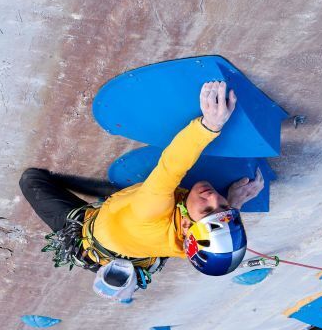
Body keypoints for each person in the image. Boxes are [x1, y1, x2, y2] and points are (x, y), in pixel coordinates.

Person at [20, 81, 264, 294]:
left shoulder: (152, 208)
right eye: (221, 206)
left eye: (207, 210)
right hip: (137, 244)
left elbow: (172, 165)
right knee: (136, 199)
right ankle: (111, 196)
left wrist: (209, 125)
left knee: (31, 179)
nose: (213, 197)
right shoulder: (193, 239)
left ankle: (105, 194)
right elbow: (214, 229)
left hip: (94, 234)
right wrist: (234, 204)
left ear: (188, 225)